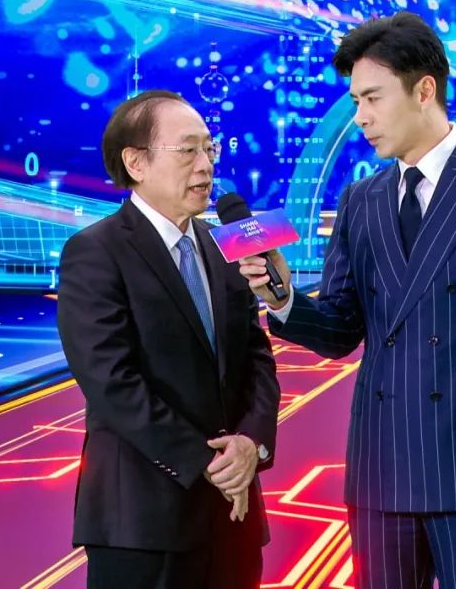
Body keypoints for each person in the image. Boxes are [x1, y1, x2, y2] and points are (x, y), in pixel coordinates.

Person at [239, 12, 456, 587]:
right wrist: (282, 296)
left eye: (372, 98)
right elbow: (342, 328)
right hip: (381, 468)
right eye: (355, 101)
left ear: (423, 90)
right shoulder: (360, 200)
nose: (361, 117)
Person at [57, 89, 280, 588]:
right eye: (188, 150)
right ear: (135, 162)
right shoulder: (96, 252)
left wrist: (253, 444)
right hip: (143, 524)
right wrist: (209, 463)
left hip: (234, 519)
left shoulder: (227, 247)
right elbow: (111, 382)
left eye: (209, 149)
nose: (205, 165)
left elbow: (257, 359)